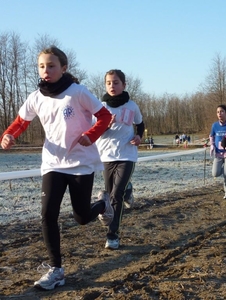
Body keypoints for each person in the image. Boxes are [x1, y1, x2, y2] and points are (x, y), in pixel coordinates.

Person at [0, 46, 113, 290]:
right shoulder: (36, 97)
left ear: (63, 68)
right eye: (42, 66)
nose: (46, 71)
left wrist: (90, 135)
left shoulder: (78, 92)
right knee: (47, 214)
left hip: (80, 163)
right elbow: (20, 122)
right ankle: (56, 269)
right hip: (52, 163)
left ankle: (103, 204)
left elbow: (105, 117)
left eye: (51, 66)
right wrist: (9, 135)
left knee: (81, 217)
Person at [95, 69, 144, 250]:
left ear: (124, 85)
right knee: (109, 196)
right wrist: (105, 125)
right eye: (108, 83)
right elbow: (94, 131)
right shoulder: (100, 107)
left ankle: (112, 235)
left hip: (127, 154)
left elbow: (140, 124)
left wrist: (139, 137)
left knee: (116, 195)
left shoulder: (131, 106)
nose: (112, 86)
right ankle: (128, 188)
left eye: (116, 82)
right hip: (106, 155)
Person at [209, 104, 226, 200]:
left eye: (222, 111)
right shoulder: (214, 125)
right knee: (215, 173)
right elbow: (212, 136)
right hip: (218, 153)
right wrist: (212, 145)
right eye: (218, 112)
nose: (219, 114)